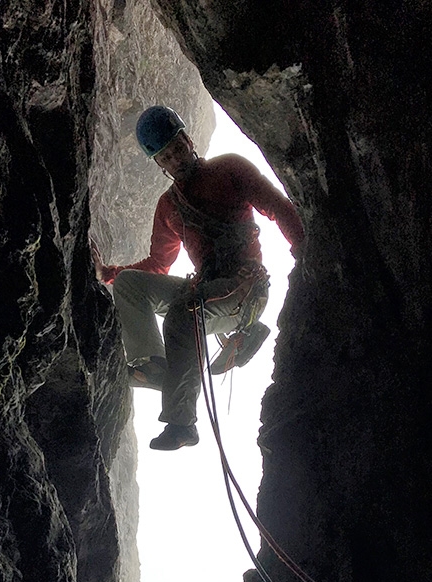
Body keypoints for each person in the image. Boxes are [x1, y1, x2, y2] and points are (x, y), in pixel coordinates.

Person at [93, 106, 305, 451]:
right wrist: (110, 275)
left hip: (244, 288)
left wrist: (303, 250)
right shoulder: (169, 207)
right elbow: (159, 264)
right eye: (166, 156)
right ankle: (156, 367)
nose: (176, 158)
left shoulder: (229, 169)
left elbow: (276, 206)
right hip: (204, 291)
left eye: (177, 148)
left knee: (183, 314)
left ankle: (182, 424)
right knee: (131, 285)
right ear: (159, 164)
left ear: (188, 140)